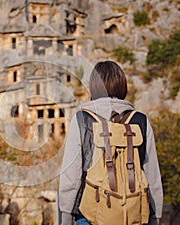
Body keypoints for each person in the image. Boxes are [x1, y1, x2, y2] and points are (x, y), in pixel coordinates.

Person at [58, 61, 163, 225]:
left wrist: (65, 216)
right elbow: (152, 174)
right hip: (133, 214)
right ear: (122, 85)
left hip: (89, 215)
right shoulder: (140, 120)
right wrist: (155, 216)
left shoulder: (82, 119)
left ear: (93, 86)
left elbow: (71, 175)